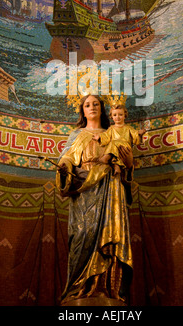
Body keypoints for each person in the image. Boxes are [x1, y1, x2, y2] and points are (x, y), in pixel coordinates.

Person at [56, 95, 134, 306]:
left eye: (96, 104)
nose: (92, 107)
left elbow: (125, 164)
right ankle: (78, 291)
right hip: (84, 187)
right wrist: (64, 165)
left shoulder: (112, 134)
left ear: (103, 109)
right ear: (82, 110)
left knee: (110, 235)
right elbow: (67, 156)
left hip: (111, 188)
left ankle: (109, 291)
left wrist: (128, 164)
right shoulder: (77, 134)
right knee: (82, 234)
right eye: (87, 105)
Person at [93, 104, 146, 177]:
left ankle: (106, 157)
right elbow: (105, 136)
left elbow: (135, 136)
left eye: (120, 114)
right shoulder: (111, 129)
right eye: (115, 115)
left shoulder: (128, 128)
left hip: (125, 148)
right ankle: (116, 166)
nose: (117, 117)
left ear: (125, 115)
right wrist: (99, 137)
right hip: (114, 149)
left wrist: (139, 134)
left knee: (114, 143)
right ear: (111, 117)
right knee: (113, 146)